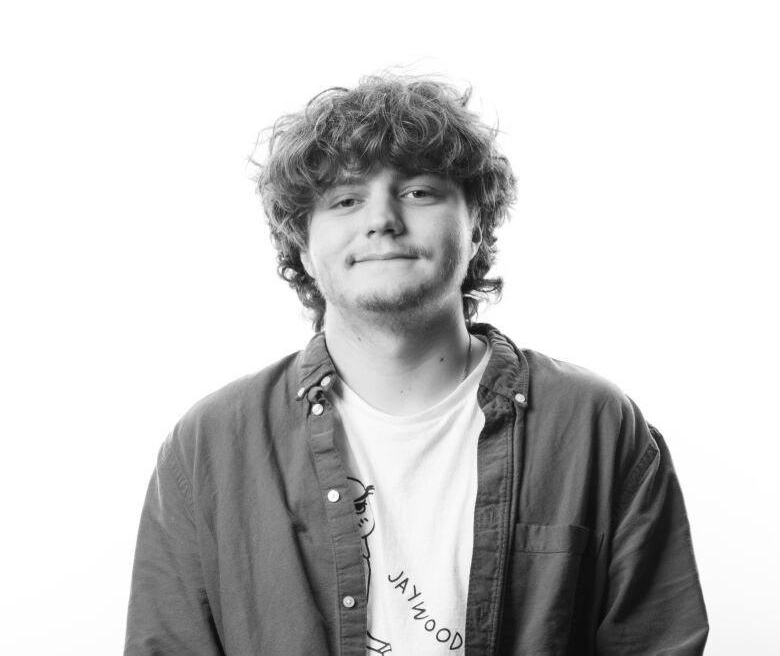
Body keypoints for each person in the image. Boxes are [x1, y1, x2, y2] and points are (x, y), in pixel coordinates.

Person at [124, 75, 708, 655]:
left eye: (419, 192)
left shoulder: (594, 426)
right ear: (301, 243)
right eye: (345, 200)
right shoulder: (211, 445)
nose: (382, 219)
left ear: (476, 224)